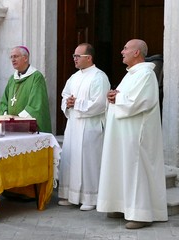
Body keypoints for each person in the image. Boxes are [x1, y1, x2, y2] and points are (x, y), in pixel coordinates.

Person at [96, 39, 168, 229]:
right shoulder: (131, 74)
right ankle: (122, 205)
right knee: (121, 168)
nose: (122, 51)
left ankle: (141, 214)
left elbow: (141, 102)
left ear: (137, 53)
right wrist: (113, 96)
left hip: (136, 134)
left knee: (135, 170)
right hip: (122, 132)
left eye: (126, 48)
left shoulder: (146, 74)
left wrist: (116, 97)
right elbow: (123, 97)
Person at [58, 43, 110, 211]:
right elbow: (65, 95)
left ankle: (91, 197)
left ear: (89, 58)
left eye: (78, 56)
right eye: (74, 56)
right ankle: (70, 195)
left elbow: (101, 103)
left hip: (90, 126)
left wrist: (76, 103)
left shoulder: (99, 77)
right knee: (70, 159)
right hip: (73, 125)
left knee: (89, 162)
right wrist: (68, 102)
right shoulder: (74, 77)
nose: (74, 58)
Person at [0, 45, 51, 133]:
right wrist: (6, 117)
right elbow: (4, 101)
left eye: (16, 56)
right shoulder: (12, 78)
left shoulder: (36, 77)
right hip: (11, 127)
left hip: (28, 127)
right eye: (11, 57)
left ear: (25, 58)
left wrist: (17, 119)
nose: (13, 60)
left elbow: (36, 105)